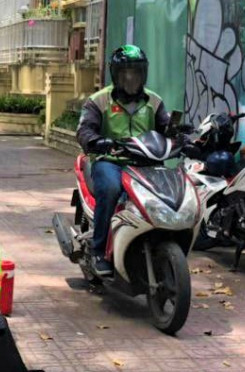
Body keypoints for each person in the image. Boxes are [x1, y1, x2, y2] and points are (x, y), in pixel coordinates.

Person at [76, 45, 171, 277]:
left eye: (135, 72)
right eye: (125, 72)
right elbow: (84, 130)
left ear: (143, 74)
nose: (130, 77)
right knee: (109, 188)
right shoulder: (99, 101)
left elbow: (166, 127)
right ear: (116, 74)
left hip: (144, 163)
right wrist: (96, 141)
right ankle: (99, 250)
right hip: (110, 160)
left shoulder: (154, 101)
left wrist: (183, 136)